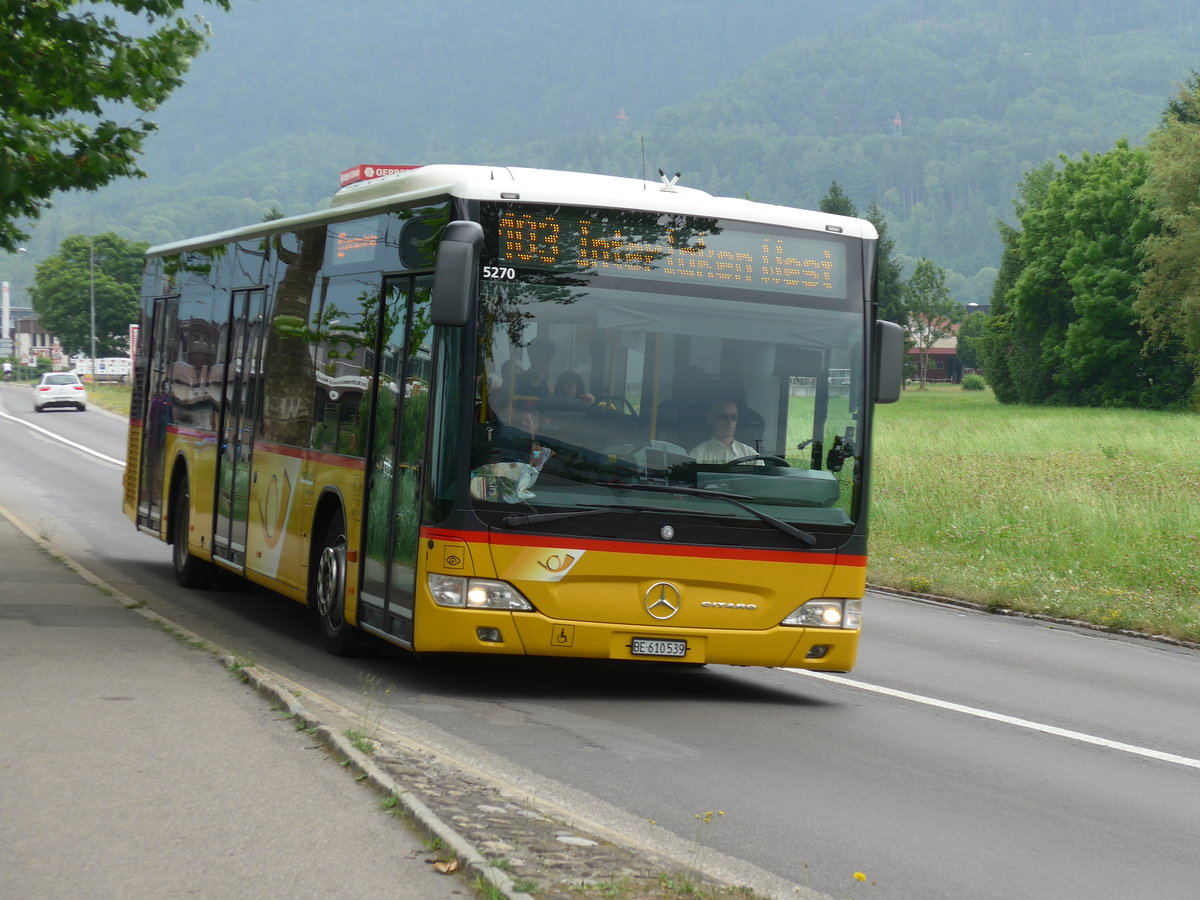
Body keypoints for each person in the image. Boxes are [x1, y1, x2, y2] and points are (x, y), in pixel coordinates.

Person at [689, 398, 763, 464]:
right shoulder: (697, 455)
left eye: (734, 417)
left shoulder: (751, 455)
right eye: (723, 417)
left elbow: (761, 479)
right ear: (710, 419)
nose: (730, 422)